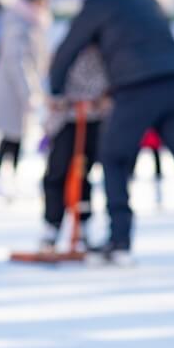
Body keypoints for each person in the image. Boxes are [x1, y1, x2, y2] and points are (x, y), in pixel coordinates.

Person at [50, 0, 174, 266]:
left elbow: (68, 48)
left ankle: (119, 241)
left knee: (113, 158)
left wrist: (55, 90)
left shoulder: (99, 4)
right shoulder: (148, 1)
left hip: (136, 88)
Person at [39, 45, 110, 251]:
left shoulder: (104, 53)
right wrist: (59, 101)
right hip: (66, 122)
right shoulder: (65, 52)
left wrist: (100, 102)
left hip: (92, 122)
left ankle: (83, 226)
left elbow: (111, 84)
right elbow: (50, 83)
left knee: (83, 175)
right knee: (57, 173)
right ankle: (52, 225)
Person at [0, 0, 51, 199]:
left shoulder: (30, 20)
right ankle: (2, 178)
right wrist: (30, 92)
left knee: (15, 135)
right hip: (12, 89)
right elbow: (18, 60)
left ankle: (8, 178)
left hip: (19, 88)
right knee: (12, 135)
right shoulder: (20, 21)